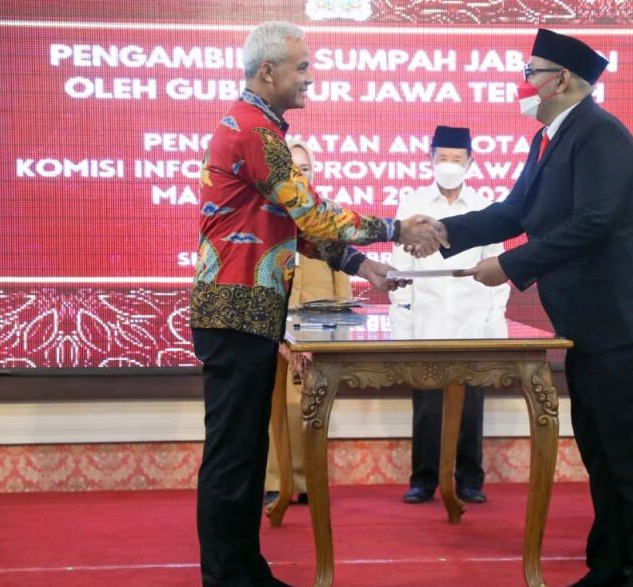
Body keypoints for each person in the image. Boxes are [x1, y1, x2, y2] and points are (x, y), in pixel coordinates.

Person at [189, 21, 444, 587]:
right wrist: (396, 228)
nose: (310, 77)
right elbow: (314, 215)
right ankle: (226, 578)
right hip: (235, 312)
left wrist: (361, 266)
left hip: (246, 313)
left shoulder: (259, 128)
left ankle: (245, 570)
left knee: (246, 452)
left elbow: (295, 229)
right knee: (233, 455)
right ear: (268, 71)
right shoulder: (254, 131)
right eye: (302, 67)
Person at [438, 29, 633, 587]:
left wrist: (510, 265)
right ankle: (611, 567)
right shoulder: (550, 138)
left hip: (629, 319)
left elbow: (594, 222)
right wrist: (441, 231)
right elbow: (514, 212)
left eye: (531, 72)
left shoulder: (601, 134)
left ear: (562, 80)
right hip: (593, 324)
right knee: (603, 452)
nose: (523, 83)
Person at [389, 125, 510, 505]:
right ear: (430, 160)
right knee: (427, 405)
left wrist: (495, 328)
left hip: (473, 322)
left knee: (471, 404)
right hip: (426, 321)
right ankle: (423, 479)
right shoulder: (411, 205)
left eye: (457, 159)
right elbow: (401, 271)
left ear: (471, 162)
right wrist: (402, 327)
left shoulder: (484, 207)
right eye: (443, 158)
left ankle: (469, 479)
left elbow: (498, 272)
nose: (449, 165)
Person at [263, 140, 352, 509]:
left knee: (310, 410)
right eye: (294, 169)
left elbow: (342, 288)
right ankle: (276, 482)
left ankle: (309, 482)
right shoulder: (266, 220)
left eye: (307, 169)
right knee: (274, 410)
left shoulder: (326, 221)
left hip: (317, 338)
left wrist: (337, 339)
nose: (301, 175)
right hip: (271, 336)